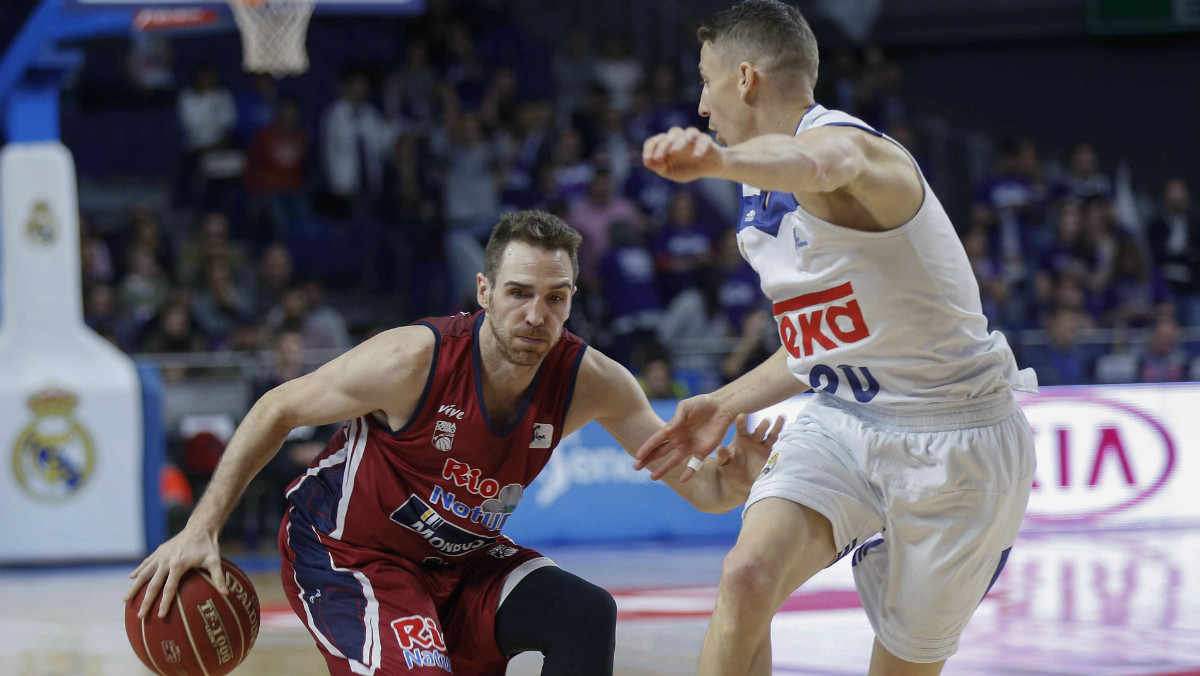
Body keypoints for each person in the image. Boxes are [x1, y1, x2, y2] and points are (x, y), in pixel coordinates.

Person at [126, 210, 781, 676]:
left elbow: (701, 489)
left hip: (460, 563)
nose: (536, 316)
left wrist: (734, 482)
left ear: (573, 299)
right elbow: (276, 407)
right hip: (352, 554)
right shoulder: (412, 359)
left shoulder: (593, 381)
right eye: (519, 294)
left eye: (555, 299)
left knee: (586, 615)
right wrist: (203, 527)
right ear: (484, 291)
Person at [634, 2, 1038, 675]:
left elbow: (820, 164)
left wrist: (720, 160)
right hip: (845, 418)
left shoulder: (855, 151)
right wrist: (726, 400)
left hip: (958, 441)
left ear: (744, 78)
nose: (700, 104)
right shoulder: (757, 196)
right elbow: (822, 345)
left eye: (704, 80)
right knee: (746, 576)